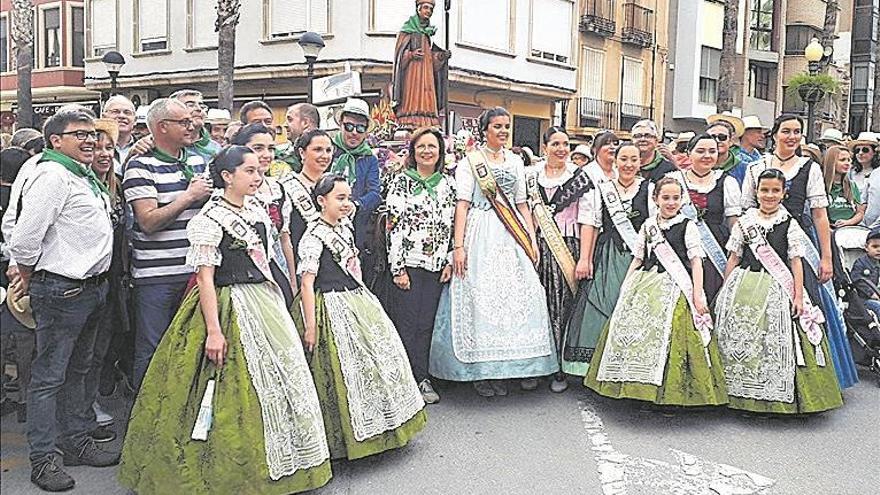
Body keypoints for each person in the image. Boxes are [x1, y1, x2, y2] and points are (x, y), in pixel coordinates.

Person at [119, 146, 332, 494]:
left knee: (282, 377)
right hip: (227, 302)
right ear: (226, 177)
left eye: (257, 170)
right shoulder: (208, 219)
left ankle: (290, 458)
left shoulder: (257, 209)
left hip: (264, 302)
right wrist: (214, 331)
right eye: (248, 170)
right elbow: (204, 278)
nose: (257, 175)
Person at [9, 106, 120, 491]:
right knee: (49, 378)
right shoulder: (52, 175)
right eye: (80, 134)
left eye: (92, 134)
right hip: (61, 289)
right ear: (56, 140)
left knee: (80, 371)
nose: (91, 140)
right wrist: (25, 273)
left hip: (90, 287)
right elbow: (23, 238)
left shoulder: (79, 174)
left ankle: (75, 441)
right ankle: (43, 459)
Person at [294, 173, 426, 460]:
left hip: (355, 299)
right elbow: (306, 282)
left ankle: (382, 426)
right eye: (339, 198)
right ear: (321, 200)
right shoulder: (313, 237)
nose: (346, 204)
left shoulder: (343, 227)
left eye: (348, 197)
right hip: (327, 304)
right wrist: (310, 325)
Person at [430, 107, 558, 397]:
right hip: (479, 230)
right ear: (484, 130)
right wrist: (458, 246)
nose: (502, 131)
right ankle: (480, 372)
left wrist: (531, 239)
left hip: (511, 233)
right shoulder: (470, 162)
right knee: (479, 298)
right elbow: (462, 204)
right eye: (497, 126)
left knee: (517, 299)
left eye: (506, 126)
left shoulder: (515, 162)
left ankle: (513, 368)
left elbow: (522, 204)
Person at [585, 177, 728, 407]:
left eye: (676, 198)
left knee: (675, 334)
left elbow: (696, 262)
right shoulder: (649, 225)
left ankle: (670, 394)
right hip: (647, 282)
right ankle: (635, 387)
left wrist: (698, 294)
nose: (671, 203)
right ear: (655, 199)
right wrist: (627, 285)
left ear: (682, 200)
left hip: (675, 286)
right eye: (666, 198)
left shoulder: (687, 226)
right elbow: (638, 258)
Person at [742, 114, 859, 389]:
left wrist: (827, 257)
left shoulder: (810, 168)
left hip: (798, 242)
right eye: (786, 131)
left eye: (797, 132)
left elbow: (820, 215)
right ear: (775, 134)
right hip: (762, 241)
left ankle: (808, 381)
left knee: (806, 302)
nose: (792, 136)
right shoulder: (756, 167)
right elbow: (746, 209)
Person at [715, 168, 842, 414]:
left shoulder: (789, 223)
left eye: (775, 190)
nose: (769, 195)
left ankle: (771, 398)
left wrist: (797, 295)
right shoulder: (745, 221)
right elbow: (734, 257)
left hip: (776, 288)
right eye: (765, 190)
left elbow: (795, 262)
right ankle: (736, 395)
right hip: (743, 284)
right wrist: (724, 288)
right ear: (756, 192)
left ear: (784, 194)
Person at [123, 98, 213, 388]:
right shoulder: (139, 166)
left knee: (192, 347)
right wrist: (188, 196)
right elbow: (147, 221)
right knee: (152, 349)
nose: (192, 126)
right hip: (156, 279)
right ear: (162, 127)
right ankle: (145, 419)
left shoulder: (199, 161)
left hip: (197, 274)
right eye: (184, 122)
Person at [564, 142, 651, 377]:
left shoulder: (648, 189)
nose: (629, 164)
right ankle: (591, 366)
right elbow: (591, 224)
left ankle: (629, 368)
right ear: (616, 161)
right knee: (601, 305)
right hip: (607, 255)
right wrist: (585, 259)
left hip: (638, 257)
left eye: (634, 159)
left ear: (640, 162)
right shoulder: (601, 189)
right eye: (624, 159)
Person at [385, 127, 456, 404]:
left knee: (426, 323)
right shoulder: (401, 182)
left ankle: (422, 377)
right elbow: (393, 226)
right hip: (410, 263)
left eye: (432, 147)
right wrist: (398, 268)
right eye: (421, 147)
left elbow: (452, 226)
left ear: (440, 153)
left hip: (436, 264)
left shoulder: (447, 184)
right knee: (407, 323)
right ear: (413, 152)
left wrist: (449, 259)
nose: (427, 151)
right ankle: (405, 381)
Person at [528, 127, 593, 392]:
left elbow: (588, 221)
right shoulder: (531, 176)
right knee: (535, 306)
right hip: (537, 245)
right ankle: (534, 365)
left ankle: (558, 369)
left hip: (567, 247)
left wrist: (585, 258)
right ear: (545, 147)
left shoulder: (579, 178)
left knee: (562, 306)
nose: (561, 149)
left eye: (565, 144)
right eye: (555, 144)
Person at [82, 119, 128, 443]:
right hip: (85, 278)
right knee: (81, 353)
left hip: (115, 279)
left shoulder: (118, 185)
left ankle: (90, 402)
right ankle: (82, 413)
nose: (103, 153)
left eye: (108, 147)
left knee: (101, 349)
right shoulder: (78, 185)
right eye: (96, 146)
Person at [669, 133, 741, 303]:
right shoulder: (673, 179)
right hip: (680, 247)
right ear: (689, 153)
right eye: (700, 151)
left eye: (712, 151)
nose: (707, 156)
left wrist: (736, 251)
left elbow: (733, 221)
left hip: (715, 246)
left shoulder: (727, 182)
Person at [231, 124, 297, 305]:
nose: (266, 155)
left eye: (271, 148)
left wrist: (292, 280)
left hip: (277, 268)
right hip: (243, 276)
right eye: (258, 148)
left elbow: (284, 239)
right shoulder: (231, 190)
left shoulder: (278, 188)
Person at [330, 98, 381, 257]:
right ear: (341, 125)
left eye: (360, 128)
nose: (354, 132)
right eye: (349, 126)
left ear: (366, 132)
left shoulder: (369, 158)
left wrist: (355, 205)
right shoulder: (328, 150)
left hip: (355, 228)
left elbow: (374, 193)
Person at [391, 0, 450, 128]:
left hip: (427, 76)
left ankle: (428, 119)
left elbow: (432, 63)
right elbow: (399, 58)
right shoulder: (407, 30)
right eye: (426, 8)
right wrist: (411, 55)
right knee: (412, 95)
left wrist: (441, 57)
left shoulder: (427, 35)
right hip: (412, 75)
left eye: (431, 9)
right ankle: (409, 118)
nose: (428, 11)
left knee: (428, 94)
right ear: (418, 9)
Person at [279, 129, 335, 254]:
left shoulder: (335, 184)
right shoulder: (286, 187)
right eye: (318, 150)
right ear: (302, 153)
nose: (325, 156)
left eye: (328, 150)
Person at [171, 89, 222, 163]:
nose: (199, 109)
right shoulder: (161, 146)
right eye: (190, 105)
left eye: (201, 106)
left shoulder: (216, 149)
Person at [823, 145, 865, 228]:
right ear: (831, 162)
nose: (847, 163)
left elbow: (860, 212)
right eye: (842, 160)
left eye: (849, 160)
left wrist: (849, 222)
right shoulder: (820, 185)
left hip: (850, 229)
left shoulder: (852, 185)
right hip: (828, 229)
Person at [276, 103, 320, 173]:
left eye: (290, 120)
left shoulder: (334, 155)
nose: (285, 125)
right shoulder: (279, 154)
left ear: (305, 122)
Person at [707, 115, 748, 185]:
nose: (717, 140)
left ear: (731, 141)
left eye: (722, 137)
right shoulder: (700, 165)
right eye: (712, 137)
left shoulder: (744, 169)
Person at [101, 95, 137, 170]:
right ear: (104, 117)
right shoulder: (94, 146)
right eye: (115, 112)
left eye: (127, 112)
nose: (121, 116)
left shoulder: (144, 148)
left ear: (135, 120)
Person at [852, 228, 880, 320]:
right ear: (866, 247)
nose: (878, 250)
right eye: (875, 247)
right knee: (877, 306)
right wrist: (871, 293)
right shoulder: (861, 263)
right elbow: (857, 280)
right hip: (864, 299)